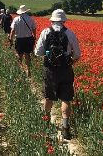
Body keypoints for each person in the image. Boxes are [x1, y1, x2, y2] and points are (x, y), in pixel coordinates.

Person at [34, 9, 81, 140]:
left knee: (48, 95)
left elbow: (37, 52)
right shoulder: (70, 34)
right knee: (66, 98)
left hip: (50, 69)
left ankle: (46, 122)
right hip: (65, 68)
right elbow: (77, 54)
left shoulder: (45, 32)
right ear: (64, 21)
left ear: (52, 20)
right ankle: (65, 127)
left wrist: (49, 56)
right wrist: (71, 59)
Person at [9, 5, 37, 77]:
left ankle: (19, 70)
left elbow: (12, 30)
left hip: (19, 39)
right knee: (27, 55)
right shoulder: (30, 19)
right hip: (28, 39)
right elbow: (34, 29)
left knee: (19, 55)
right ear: (26, 11)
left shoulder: (16, 19)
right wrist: (35, 37)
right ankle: (28, 70)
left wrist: (11, 39)